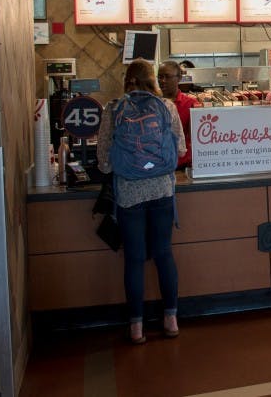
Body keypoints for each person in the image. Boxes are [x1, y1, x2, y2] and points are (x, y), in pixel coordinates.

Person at [96, 58, 186, 344]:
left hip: (129, 193)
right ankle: (170, 319)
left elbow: (104, 162)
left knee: (134, 259)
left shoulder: (112, 109)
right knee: (163, 253)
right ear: (153, 80)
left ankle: (136, 327)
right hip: (161, 190)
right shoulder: (168, 108)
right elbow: (180, 149)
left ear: (127, 79)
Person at [157, 60, 201, 169]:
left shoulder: (191, 104)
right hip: (158, 164)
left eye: (167, 77)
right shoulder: (153, 103)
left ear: (179, 78)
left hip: (182, 164)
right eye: (160, 77)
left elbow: (195, 139)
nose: (162, 81)